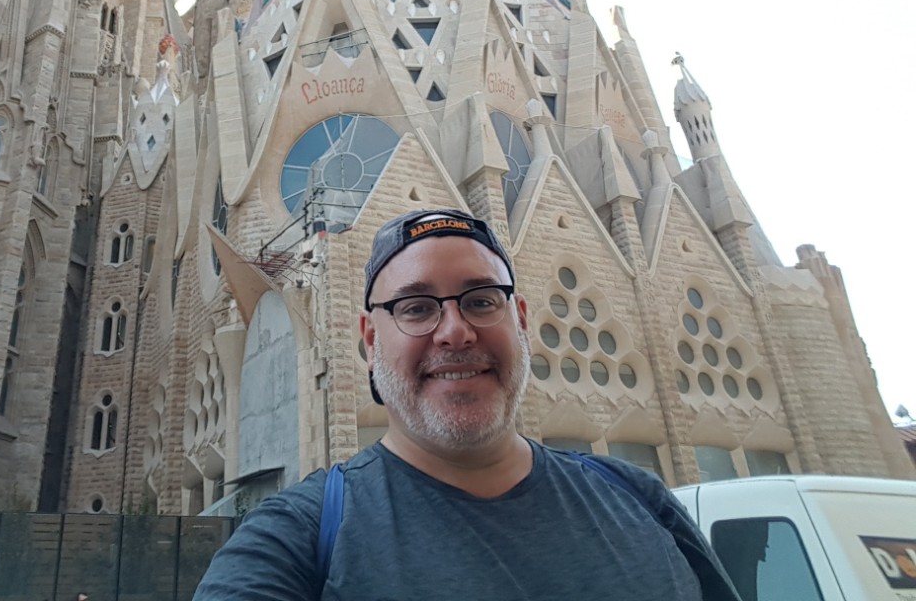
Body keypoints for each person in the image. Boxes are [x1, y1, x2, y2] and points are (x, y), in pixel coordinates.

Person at [193, 208, 742, 600]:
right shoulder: (299, 538)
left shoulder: (641, 499)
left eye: (481, 301)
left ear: (521, 321)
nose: (454, 332)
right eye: (415, 307)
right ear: (368, 340)